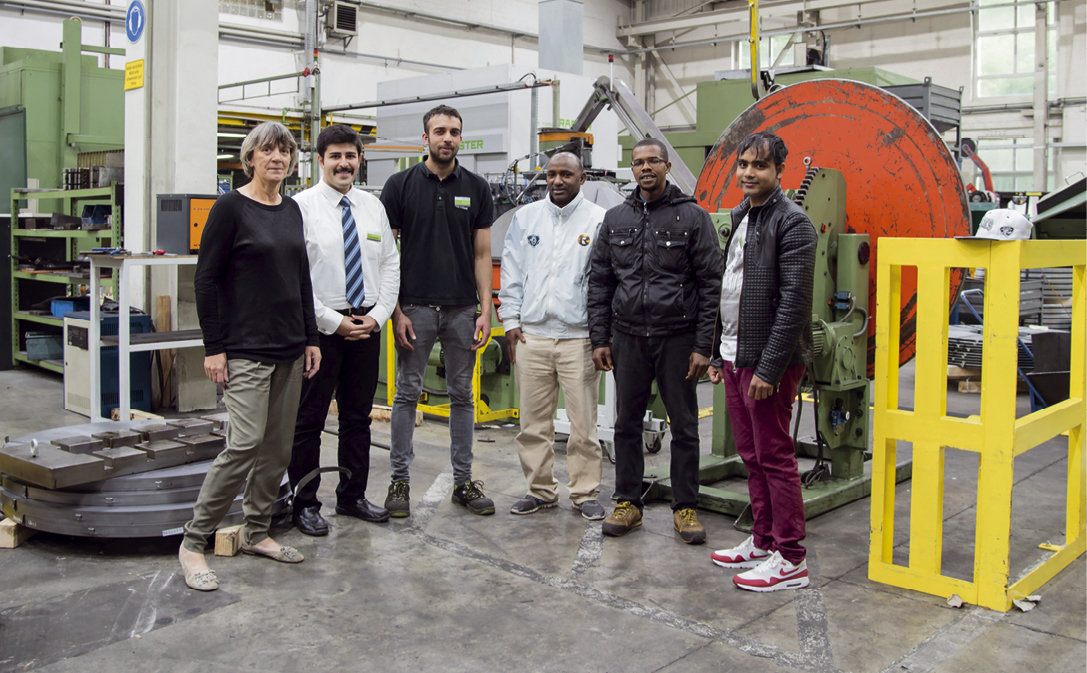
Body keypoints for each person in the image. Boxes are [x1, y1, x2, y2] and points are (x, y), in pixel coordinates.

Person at [180, 121, 322, 591]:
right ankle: (193, 542)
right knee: (243, 444)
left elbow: (301, 278)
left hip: (289, 349)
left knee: (278, 448)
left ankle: (256, 531)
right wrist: (214, 347)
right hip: (245, 350)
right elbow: (205, 281)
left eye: (285, 151)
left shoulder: (291, 209)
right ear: (250, 159)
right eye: (267, 151)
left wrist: (311, 338)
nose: (277, 158)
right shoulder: (229, 208)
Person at [587, 138, 723, 544]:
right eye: (638, 163)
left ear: (667, 166)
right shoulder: (615, 219)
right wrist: (600, 338)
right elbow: (601, 281)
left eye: (653, 161)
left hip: (677, 338)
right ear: (632, 170)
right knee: (625, 423)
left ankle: (685, 508)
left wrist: (703, 345)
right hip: (628, 337)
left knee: (684, 425)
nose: (645, 168)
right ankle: (628, 502)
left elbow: (711, 284)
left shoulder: (692, 217)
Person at [707, 131, 817, 592]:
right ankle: (762, 539)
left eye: (760, 165)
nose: (749, 173)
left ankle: (790, 558)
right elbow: (728, 289)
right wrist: (718, 351)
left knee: (774, 456)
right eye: (744, 165)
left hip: (767, 361)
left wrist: (770, 369)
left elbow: (794, 304)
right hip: (735, 354)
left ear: (779, 171)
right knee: (751, 455)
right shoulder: (741, 217)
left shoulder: (793, 224)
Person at [379, 104, 496, 517]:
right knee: (406, 393)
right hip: (415, 308)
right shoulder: (399, 185)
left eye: (455, 132)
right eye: (440, 131)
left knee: (463, 396)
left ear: (461, 138)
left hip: (463, 310)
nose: (448, 138)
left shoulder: (477, 188)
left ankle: (463, 482)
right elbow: (386, 255)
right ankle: (399, 481)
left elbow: (482, 255)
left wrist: (485, 311)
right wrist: (395, 311)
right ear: (425, 137)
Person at [287, 124, 400, 536]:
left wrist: (379, 316)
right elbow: (295, 277)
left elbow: (390, 263)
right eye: (335, 156)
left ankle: (352, 497)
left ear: (359, 159)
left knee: (357, 419)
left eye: (350, 155)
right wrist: (333, 323)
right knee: (308, 421)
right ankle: (304, 503)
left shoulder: (373, 206)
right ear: (320, 160)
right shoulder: (299, 208)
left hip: (367, 327)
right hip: (320, 332)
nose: (343, 163)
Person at [498, 152, 607, 520]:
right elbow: (511, 271)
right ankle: (540, 490)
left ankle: (584, 492)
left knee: (583, 425)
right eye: (551, 175)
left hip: (579, 338)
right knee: (532, 424)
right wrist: (510, 320)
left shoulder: (598, 220)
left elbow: (604, 282)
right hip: (532, 337)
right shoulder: (525, 218)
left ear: (582, 178)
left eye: (566, 174)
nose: (557, 181)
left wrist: (600, 335)